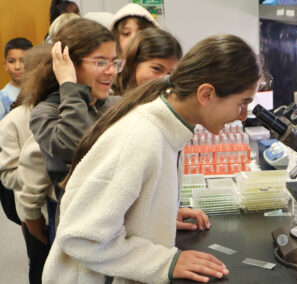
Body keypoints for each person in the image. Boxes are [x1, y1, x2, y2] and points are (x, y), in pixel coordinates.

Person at [42, 34, 262, 283]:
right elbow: (81, 236)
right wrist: (164, 262)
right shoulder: (142, 138)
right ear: (206, 94)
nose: (243, 116)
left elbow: (120, 202)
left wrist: (157, 214)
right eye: (242, 103)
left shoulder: (169, 128)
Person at [28, 18, 123, 244]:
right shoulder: (45, 112)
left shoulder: (115, 105)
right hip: (81, 230)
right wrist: (69, 86)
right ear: (69, 63)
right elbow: (74, 147)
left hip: (120, 221)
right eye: (100, 62)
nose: (111, 72)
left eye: (115, 62)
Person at [0, 44, 54, 284]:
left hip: (68, 214)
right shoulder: (14, 121)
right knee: (41, 268)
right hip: (35, 216)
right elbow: (8, 175)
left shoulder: (75, 111)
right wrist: (39, 175)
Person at [113, 27, 182, 95]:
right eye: (157, 69)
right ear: (134, 63)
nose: (164, 79)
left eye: (169, 74)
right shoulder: (108, 98)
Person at [0, 37, 33, 119]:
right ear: (5, 65)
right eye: (11, 61)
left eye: (23, 60)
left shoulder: (42, 90)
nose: (17, 67)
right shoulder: (3, 98)